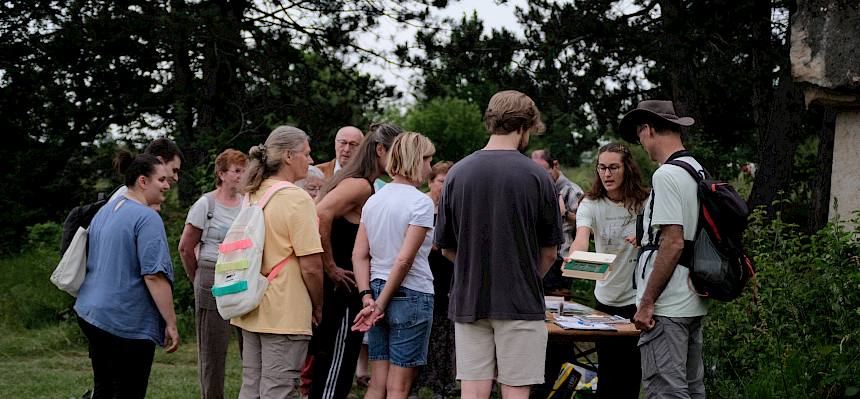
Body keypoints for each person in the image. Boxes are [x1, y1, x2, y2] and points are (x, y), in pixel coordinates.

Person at [434, 90, 563, 399]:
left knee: (473, 393)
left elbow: (446, 247)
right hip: (520, 300)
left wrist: (476, 268)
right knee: (516, 392)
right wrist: (522, 276)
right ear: (527, 125)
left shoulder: (457, 174)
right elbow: (549, 252)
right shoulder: (538, 176)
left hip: (469, 299)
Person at [619, 100, 707, 398]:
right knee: (692, 389)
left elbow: (673, 242)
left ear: (649, 129)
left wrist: (646, 303)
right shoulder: (695, 169)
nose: (641, 143)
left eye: (639, 135)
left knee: (666, 390)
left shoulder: (666, 175)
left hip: (667, 306)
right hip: (692, 297)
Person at [308, 123, 403, 399]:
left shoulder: (366, 184)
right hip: (341, 289)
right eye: (398, 153)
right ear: (380, 151)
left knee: (336, 365)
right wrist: (330, 266)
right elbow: (320, 215)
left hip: (345, 288)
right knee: (335, 368)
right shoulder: (359, 185)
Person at [74, 151, 179, 399]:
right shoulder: (147, 217)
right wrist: (171, 323)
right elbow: (154, 276)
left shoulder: (106, 210)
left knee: (105, 387)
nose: (167, 184)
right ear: (143, 181)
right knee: (128, 391)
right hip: (124, 322)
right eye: (161, 179)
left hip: (91, 313)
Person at [231, 126, 325, 399]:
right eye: (306, 154)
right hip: (285, 309)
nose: (310, 159)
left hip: (252, 302)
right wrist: (318, 304)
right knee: (280, 389)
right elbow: (311, 265)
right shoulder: (296, 198)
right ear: (288, 156)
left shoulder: (253, 193)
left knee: (251, 386)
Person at [351, 132, 437, 399]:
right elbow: (404, 260)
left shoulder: (375, 199)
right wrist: (382, 304)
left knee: (377, 383)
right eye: (428, 160)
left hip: (375, 291)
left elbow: (359, 255)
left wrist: (368, 298)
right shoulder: (420, 202)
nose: (430, 168)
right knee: (399, 387)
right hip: (409, 293)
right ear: (416, 160)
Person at [567, 143, 649, 399]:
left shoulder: (645, 201)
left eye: (613, 167)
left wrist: (644, 236)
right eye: (602, 167)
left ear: (627, 169)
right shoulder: (590, 203)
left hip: (638, 299)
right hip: (605, 299)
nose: (607, 174)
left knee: (632, 374)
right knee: (609, 373)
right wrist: (576, 256)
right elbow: (582, 238)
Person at [178, 149, 247, 399]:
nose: (242, 175)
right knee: (212, 349)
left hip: (243, 275)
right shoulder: (205, 204)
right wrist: (197, 277)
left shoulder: (249, 202)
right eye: (237, 170)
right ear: (221, 174)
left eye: (244, 170)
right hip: (211, 273)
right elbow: (186, 247)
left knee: (249, 345)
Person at [412, 161, 457, 399]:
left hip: (449, 271)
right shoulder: (421, 204)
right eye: (442, 181)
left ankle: (446, 380)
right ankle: (422, 380)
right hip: (425, 270)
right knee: (428, 327)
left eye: (450, 182)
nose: (445, 186)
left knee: (447, 328)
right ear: (431, 181)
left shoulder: (454, 207)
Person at [530, 149, 584, 296]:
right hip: (538, 257)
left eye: (544, 172)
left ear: (555, 165)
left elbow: (585, 226)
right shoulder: (536, 187)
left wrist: (564, 213)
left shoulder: (573, 191)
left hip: (561, 260)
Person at [109, 138, 184, 203]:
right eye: (174, 170)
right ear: (159, 162)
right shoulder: (136, 202)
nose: (176, 178)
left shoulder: (124, 194)